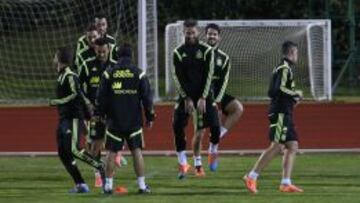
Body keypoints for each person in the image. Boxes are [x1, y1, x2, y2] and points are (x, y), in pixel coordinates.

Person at [243, 41, 304, 194]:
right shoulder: (284, 68)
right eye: (296, 53)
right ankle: (251, 176)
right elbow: (278, 89)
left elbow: (273, 92)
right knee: (277, 145)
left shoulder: (282, 68)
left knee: (292, 146)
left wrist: (293, 99)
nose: (297, 56)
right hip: (280, 113)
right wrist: (295, 93)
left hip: (285, 112)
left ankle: (285, 183)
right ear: (291, 53)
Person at [97, 43, 155, 194]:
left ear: (117, 56)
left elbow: (101, 98)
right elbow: (147, 99)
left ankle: (108, 186)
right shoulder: (139, 73)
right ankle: (142, 186)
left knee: (111, 152)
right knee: (136, 151)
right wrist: (150, 116)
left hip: (114, 121)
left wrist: (100, 115)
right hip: (133, 121)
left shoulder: (109, 73)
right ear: (132, 56)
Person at [50, 47, 105, 193]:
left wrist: (57, 101)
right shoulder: (61, 75)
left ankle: (99, 166)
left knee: (74, 149)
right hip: (63, 118)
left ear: (60, 59)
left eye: (55, 56)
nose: (53, 58)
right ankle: (80, 184)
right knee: (63, 152)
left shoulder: (70, 75)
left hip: (73, 118)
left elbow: (76, 95)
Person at [192, 23, 244, 175]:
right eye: (209, 34)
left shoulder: (224, 58)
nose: (212, 36)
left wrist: (218, 102)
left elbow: (223, 82)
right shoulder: (197, 53)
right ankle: (197, 163)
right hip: (200, 96)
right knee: (200, 131)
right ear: (205, 35)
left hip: (216, 96)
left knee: (238, 108)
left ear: (219, 37)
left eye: (214, 34)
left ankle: (214, 145)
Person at [171, 19, 220, 179]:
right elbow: (176, 77)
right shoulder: (178, 52)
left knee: (215, 126)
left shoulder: (206, 51)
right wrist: (186, 98)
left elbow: (209, 75)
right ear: (183, 32)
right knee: (177, 125)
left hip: (204, 95)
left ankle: (213, 150)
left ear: (197, 32)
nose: (190, 35)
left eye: (193, 32)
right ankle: (182, 161)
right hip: (185, 96)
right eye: (187, 32)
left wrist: (203, 97)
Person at [78, 37, 117, 188]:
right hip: (95, 112)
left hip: (112, 112)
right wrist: (87, 102)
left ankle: (109, 176)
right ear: (95, 50)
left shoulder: (115, 66)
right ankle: (97, 174)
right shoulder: (87, 66)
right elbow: (78, 87)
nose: (101, 54)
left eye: (104, 51)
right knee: (95, 145)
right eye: (99, 51)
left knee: (114, 145)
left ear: (108, 50)